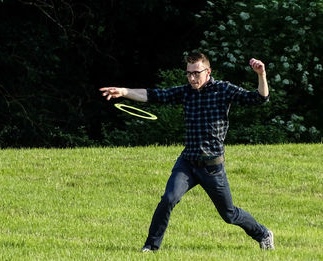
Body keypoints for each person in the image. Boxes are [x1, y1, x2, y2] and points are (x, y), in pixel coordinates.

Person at [99, 52, 274, 251]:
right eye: (189, 74)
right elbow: (154, 95)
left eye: (196, 73)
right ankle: (151, 247)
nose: (192, 78)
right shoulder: (186, 92)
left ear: (208, 72)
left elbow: (260, 99)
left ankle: (263, 233)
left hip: (212, 167)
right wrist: (123, 91)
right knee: (168, 199)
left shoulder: (223, 90)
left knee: (229, 214)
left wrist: (261, 75)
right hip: (187, 163)